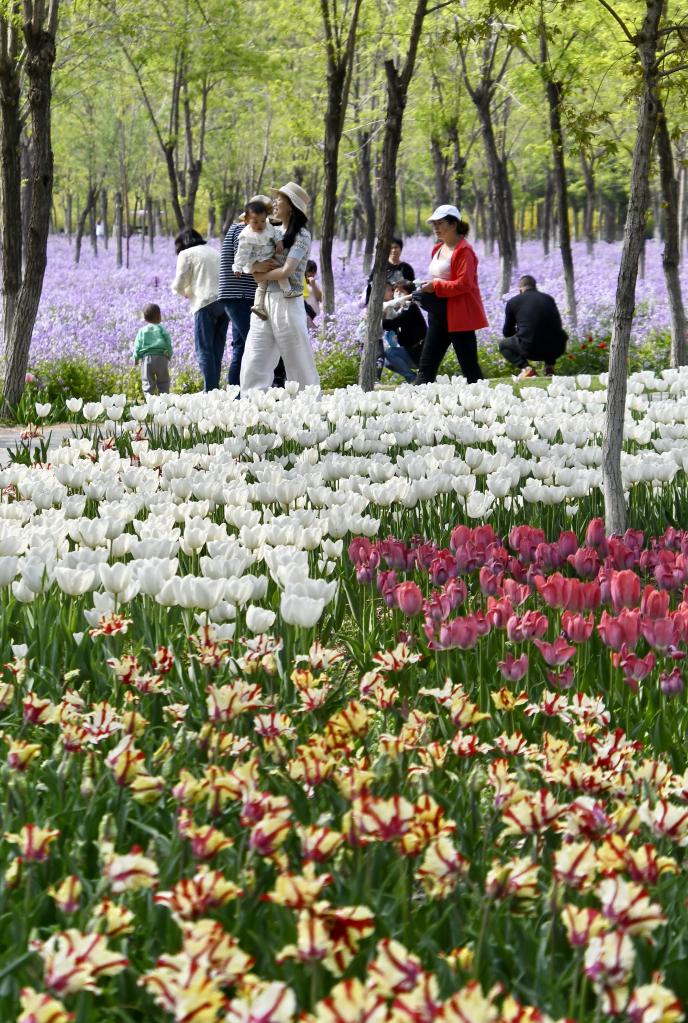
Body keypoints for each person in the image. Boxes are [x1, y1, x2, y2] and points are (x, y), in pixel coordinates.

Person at [240, 182, 320, 393]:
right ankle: (253, 410)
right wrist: (255, 268)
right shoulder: (270, 231)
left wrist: (260, 273)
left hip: (287, 302)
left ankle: (309, 410)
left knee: (298, 359)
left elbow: (287, 271)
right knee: (255, 357)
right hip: (264, 301)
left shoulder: (302, 235)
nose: (275, 203)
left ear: (291, 206)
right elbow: (252, 262)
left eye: (280, 200)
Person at [415, 205, 487, 385]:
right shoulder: (437, 249)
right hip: (439, 314)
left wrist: (436, 285)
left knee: (469, 367)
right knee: (426, 366)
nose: (436, 228)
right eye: (434, 224)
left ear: (454, 224)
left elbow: (465, 284)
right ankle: (413, 408)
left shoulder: (464, 251)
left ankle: (483, 406)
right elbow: (439, 277)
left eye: (440, 223)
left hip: (459, 317)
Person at [171, 228, 229, 391]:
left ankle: (210, 391)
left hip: (204, 303)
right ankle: (215, 390)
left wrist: (184, 292)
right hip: (225, 303)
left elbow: (180, 282)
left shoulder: (186, 254)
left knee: (204, 350)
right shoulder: (214, 251)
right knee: (217, 349)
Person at [233, 199, 301, 320]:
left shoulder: (268, 227)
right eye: (255, 222)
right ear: (247, 221)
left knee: (261, 286)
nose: (260, 225)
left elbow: (275, 234)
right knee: (280, 270)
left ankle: (258, 306)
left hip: (267, 258)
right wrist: (238, 267)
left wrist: (279, 242)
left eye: (263, 221)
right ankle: (287, 290)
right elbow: (241, 254)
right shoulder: (246, 236)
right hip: (258, 262)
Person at [500, 275, 568, 378]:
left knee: (503, 345)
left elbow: (507, 332)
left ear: (520, 290)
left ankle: (527, 368)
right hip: (557, 348)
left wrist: (520, 334)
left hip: (529, 349)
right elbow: (557, 325)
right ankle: (549, 366)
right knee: (554, 334)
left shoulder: (513, 302)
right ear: (535, 287)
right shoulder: (548, 298)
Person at [382, 280, 426, 374]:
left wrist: (378, 321)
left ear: (408, 294)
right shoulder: (401, 309)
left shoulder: (410, 308)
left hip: (417, 352)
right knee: (386, 361)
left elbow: (393, 324)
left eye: (401, 292)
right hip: (410, 350)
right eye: (396, 291)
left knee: (390, 353)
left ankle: (412, 379)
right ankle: (417, 379)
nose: (397, 294)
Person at [133, 303, 172, 395]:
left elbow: (137, 345)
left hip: (147, 359)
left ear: (145, 318)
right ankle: (165, 401)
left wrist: (136, 357)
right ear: (159, 317)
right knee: (164, 382)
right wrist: (169, 354)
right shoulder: (162, 329)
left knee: (147, 382)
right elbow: (168, 342)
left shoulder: (142, 331)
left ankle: (149, 402)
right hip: (161, 358)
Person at [364, 237, 415, 304]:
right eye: (391, 248)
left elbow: (413, 288)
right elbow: (371, 284)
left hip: (401, 303)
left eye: (396, 247)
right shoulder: (380, 266)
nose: (393, 250)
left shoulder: (407, 268)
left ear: (401, 249)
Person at [304, 259, 322, 326]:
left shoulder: (316, 283)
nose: (312, 274)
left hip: (315, 315)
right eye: (310, 271)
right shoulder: (299, 283)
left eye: (314, 271)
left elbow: (321, 299)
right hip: (304, 315)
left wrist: (314, 286)